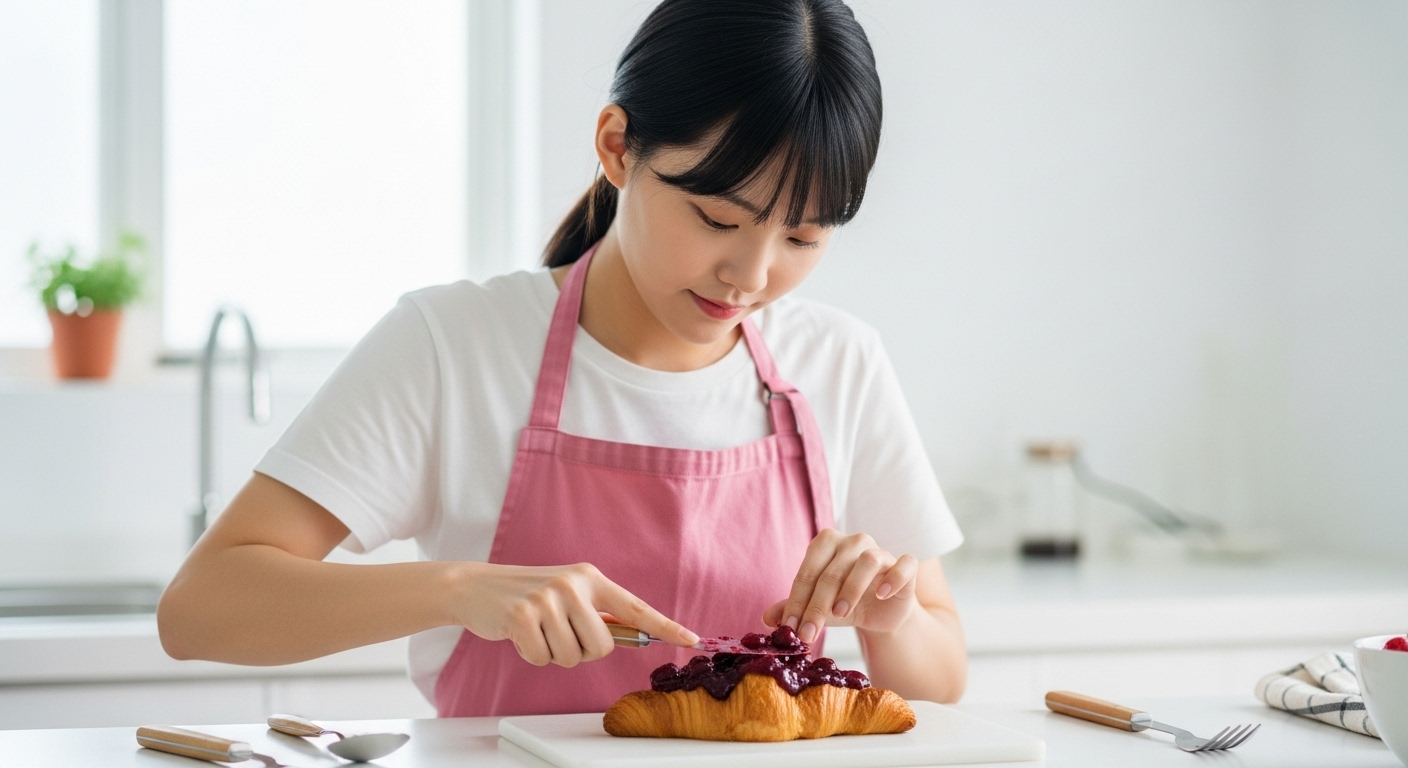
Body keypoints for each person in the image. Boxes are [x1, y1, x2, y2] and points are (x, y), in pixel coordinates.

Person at [157, 0, 967, 717]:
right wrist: (462, 589)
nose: (752, 277)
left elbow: (942, 680)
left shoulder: (841, 364)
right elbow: (199, 608)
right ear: (617, 148)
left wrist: (892, 622)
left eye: (802, 237)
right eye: (719, 218)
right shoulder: (454, 345)